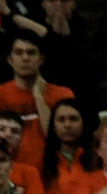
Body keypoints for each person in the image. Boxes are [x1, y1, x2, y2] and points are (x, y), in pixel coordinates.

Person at [0, 30, 74, 170]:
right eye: (19, 53)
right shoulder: (1, 94)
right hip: (7, 175)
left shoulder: (62, 94)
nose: (25, 58)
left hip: (53, 173)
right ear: (10, 60)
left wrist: (39, 97)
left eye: (31, 52)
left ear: (41, 59)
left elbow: (60, 139)